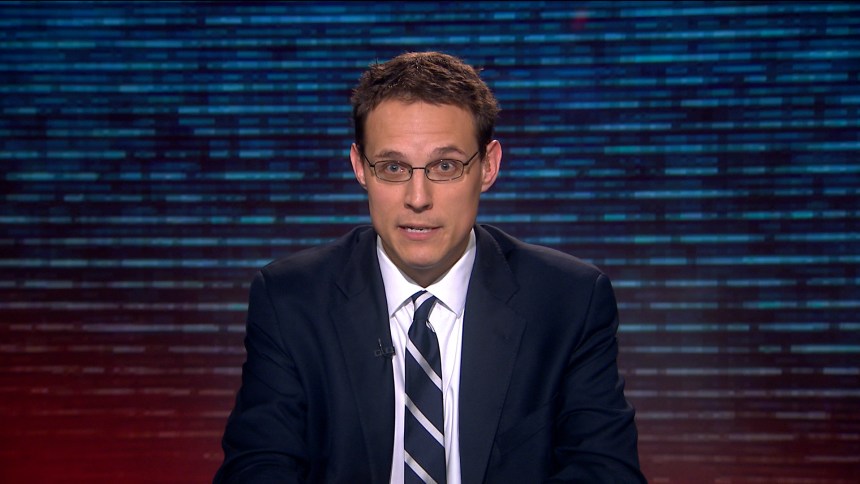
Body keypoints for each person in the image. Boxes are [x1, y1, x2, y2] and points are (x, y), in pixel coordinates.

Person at [214, 51, 645, 483]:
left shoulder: (568, 301)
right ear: (360, 168)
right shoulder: (291, 299)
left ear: (488, 166)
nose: (417, 198)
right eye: (393, 167)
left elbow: (606, 472)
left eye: (445, 166)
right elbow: (257, 469)